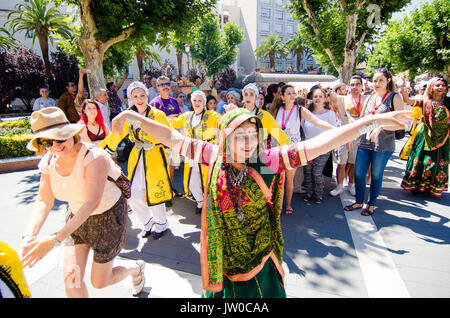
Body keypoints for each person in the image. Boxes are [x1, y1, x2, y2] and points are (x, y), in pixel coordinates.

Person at [110, 102, 411, 298]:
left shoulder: (267, 160)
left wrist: (375, 120)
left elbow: (320, 144)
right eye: (238, 135)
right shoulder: (214, 156)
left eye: (252, 134)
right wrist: (134, 117)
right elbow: (172, 138)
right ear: (224, 137)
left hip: (261, 260)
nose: (247, 141)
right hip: (223, 262)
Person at [20, 107, 145, 297]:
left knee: (100, 281)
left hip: (108, 218)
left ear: (70, 134)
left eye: (60, 137)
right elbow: (43, 199)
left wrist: (54, 240)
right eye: (47, 142)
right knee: (71, 277)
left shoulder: (95, 157)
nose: (55, 145)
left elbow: (91, 202)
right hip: (76, 218)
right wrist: (29, 235)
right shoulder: (48, 161)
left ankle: (135, 268)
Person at [99, 81, 174, 239]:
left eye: (142, 95)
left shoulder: (157, 115)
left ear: (147, 96)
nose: (139, 99)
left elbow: (169, 134)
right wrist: (103, 150)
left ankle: (161, 224)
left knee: (156, 191)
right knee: (133, 194)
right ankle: (147, 222)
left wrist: (171, 150)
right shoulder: (129, 116)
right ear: (129, 98)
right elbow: (117, 134)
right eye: (135, 96)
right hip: (137, 155)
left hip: (155, 156)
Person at [344, 68, 406, 216]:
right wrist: (352, 136)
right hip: (365, 142)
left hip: (383, 144)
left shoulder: (394, 98)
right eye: (375, 80)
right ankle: (359, 201)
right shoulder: (370, 98)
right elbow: (363, 121)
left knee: (376, 175)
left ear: (388, 81)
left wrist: (381, 127)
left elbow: (401, 123)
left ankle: (371, 204)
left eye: (380, 80)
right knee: (359, 173)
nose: (377, 83)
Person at [271, 85, 336, 211]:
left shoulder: (300, 110)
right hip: (277, 149)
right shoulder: (276, 109)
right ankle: (277, 205)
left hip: (292, 150)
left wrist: (337, 129)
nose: (292, 95)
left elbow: (318, 122)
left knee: (290, 179)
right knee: (279, 179)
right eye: (289, 93)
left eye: (293, 93)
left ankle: (288, 204)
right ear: (282, 97)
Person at [169, 90, 221, 213]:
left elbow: (223, 121)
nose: (197, 103)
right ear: (191, 102)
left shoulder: (212, 115)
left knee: (208, 180)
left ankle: (210, 205)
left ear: (204, 102)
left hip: (206, 153)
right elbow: (171, 123)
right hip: (191, 153)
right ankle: (200, 202)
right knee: (192, 183)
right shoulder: (186, 116)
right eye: (194, 100)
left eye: (200, 100)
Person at [397, 76, 449, 197]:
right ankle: (416, 185)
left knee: (437, 162)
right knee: (421, 160)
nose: (441, 87)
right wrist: (403, 86)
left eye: (443, 85)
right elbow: (407, 101)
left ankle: (432, 186)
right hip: (425, 135)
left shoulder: (448, 102)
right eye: (437, 85)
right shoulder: (425, 101)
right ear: (431, 87)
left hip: (443, 137)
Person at [329, 75, 369, 197]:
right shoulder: (342, 99)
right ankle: (339, 186)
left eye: (357, 84)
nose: (354, 87)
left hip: (358, 137)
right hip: (343, 135)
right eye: (352, 84)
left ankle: (351, 184)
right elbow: (330, 95)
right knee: (341, 163)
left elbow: (371, 120)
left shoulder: (367, 99)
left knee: (353, 163)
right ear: (348, 86)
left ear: (362, 87)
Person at [302, 87, 339, 204]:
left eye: (320, 96)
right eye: (315, 96)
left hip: (323, 147)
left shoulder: (330, 113)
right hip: (308, 146)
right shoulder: (307, 112)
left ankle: (318, 194)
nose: (317, 99)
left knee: (317, 171)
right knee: (307, 171)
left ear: (325, 99)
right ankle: (309, 192)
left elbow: (334, 130)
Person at [149, 76, 182, 192]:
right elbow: (151, 123)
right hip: (162, 142)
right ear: (157, 87)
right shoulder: (154, 103)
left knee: (172, 167)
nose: (165, 86)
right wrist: (168, 118)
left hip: (174, 140)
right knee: (162, 168)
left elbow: (179, 119)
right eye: (162, 85)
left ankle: (169, 189)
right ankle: (162, 192)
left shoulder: (174, 101)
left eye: (167, 84)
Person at [241, 83, 291, 150]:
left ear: (256, 97)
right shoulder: (238, 114)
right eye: (246, 94)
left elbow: (278, 133)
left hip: (259, 153)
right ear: (243, 97)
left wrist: (292, 148)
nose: (248, 97)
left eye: (251, 94)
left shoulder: (265, 115)